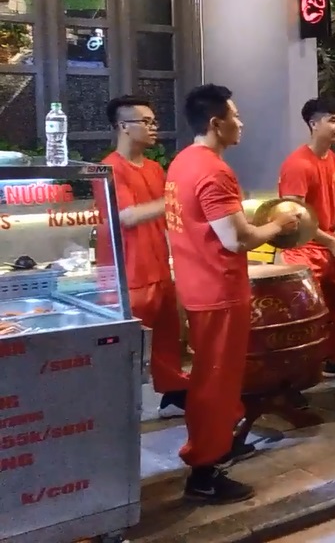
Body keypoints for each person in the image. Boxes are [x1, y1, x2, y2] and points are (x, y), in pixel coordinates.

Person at [166, 84, 301, 502]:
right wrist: (280, 227)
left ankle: (215, 451)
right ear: (215, 122)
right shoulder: (214, 170)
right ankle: (205, 472)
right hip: (219, 290)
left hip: (196, 285)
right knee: (216, 383)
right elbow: (236, 240)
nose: (241, 123)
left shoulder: (181, 163)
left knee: (211, 377)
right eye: (235, 116)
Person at [101, 96, 188, 419]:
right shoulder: (109, 168)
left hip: (158, 267)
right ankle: (117, 408)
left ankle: (174, 392)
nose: (154, 128)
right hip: (130, 273)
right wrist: (177, 198)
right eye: (147, 122)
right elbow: (126, 216)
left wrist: (175, 258)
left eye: (154, 122)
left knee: (168, 337)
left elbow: (167, 219)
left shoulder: (153, 168)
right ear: (123, 126)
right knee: (129, 346)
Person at [278, 97, 335, 376]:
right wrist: (332, 241)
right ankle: (300, 370)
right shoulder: (297, 164)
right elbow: (294, 217)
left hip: (329, 245)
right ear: (313, 124)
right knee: (309, 312)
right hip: (303, 248)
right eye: (332, 120)